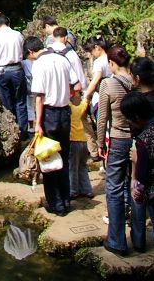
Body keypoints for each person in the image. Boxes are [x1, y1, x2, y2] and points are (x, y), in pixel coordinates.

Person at [23, 35, 81, 216]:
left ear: (31, 52)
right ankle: (66, 200)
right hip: (65, 112)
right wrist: (65, 94)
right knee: (63, 157)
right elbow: (76, 85)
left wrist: (37, 123)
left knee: (48, 159)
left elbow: (39, 97)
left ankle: (55, 204)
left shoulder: (39, 64)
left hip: (49, 114)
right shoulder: (62, 58)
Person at [96, 45, 134, 256]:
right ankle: (137, 235)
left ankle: (117, 240)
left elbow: (103, 118)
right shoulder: (137, 81)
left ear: (111, 63)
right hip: (138, 140)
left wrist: (101, 144)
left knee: (114, 188)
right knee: (135, 183)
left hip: (118, 140)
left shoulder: (108, 84)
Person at [120, 89, 154, 253]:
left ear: (136, 117)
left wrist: (137, 188)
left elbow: (142, 172)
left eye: (128, 119)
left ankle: (139, 243)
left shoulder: (143, 140)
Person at [0, 13, 28, 138]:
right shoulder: (17, 34)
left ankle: (11, 131)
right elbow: (23, 51)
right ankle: (23, 132)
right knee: (21, 101)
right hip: (17, 69)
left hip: (2, 71)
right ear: (8, 23)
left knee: (6, 101)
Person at [83, 35, 112, 161]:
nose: (91, 54)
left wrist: (86, 95)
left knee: (103, 126)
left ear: (97, 48)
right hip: (114, 95)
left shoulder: (99, 62)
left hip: (102, 97)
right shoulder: (111, 58)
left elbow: (95, 82)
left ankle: (106, 156)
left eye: (91, 51)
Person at [69, 91, 94, 199]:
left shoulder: (68, 108)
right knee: (82, 166)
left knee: (72, 167)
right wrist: (86, 96)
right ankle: (87, 189)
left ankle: (73, 190)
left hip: (72, 141)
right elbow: (85, 102)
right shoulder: (78, 109)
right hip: (83, 142)